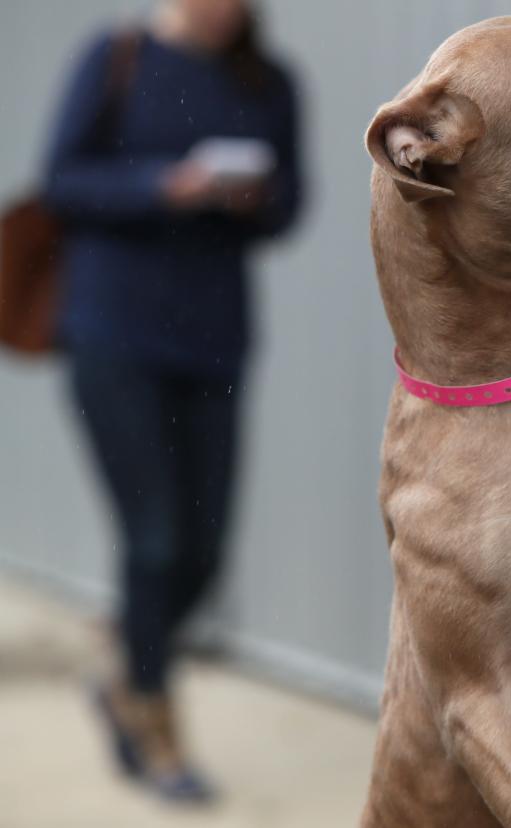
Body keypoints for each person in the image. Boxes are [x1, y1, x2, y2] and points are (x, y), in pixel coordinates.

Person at [43, 0, 302, 803]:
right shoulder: (116, 57)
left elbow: (293, 202)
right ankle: (154, 725)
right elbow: (62, 181)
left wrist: (246, 195)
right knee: (153, 539)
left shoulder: (270, 79)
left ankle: (129, 658)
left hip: (215, 341)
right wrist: (165, 186)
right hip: (111, 336)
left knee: (205, 550)